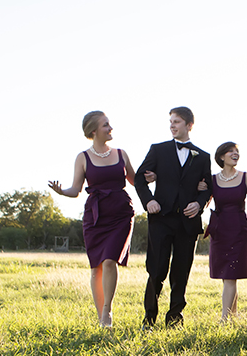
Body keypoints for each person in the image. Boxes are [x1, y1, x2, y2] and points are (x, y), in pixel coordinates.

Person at [48, 110, 135, 328]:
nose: (110, 128)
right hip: (96, 217)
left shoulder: (121, 154)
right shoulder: (83, 158)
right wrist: (61, 192)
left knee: (109, 260)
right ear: (94, 131)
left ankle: (108, 312)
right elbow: (75, 189)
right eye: (106, 125)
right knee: (96, 266)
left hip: (121, 213)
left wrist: (153, 176)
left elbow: (136, 180)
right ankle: (101, 317)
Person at [134, 107, 212, 328]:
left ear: (189, 125)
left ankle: (175, 319)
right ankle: (149, 319)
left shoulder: (203, 156)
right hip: (161, 219)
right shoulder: (158, 150)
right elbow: (140, 179)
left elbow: (208, 188)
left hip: (187, 222)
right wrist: (149, 201)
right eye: (170, 122)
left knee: (181, 271)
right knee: (156, 269)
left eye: (176, 121)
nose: (172, 125)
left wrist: (198, 204)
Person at [205, 142, 247, 322]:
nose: (235, 154)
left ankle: (224, 319)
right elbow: (204, 203)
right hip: (220, 230)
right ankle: (232, 315)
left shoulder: (245, 177)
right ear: (221, 157)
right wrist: (199, 190)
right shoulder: (212, 180)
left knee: (231, 275)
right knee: (227, 275)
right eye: (231, 151)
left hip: (239, 229)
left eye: (237, 151)